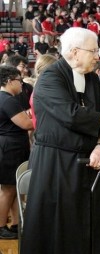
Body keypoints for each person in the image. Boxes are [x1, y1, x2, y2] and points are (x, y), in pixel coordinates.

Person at [16, 27, 100, 254]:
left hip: (90, 165)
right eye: (94, 51)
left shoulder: (90, 80)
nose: (98, 57)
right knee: (57, 228)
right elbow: (73, 116)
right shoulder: (50, 78)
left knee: (92, 227)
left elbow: (97, 119)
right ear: (74, 53)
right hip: (55, 165)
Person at [0, 65, 33, 239]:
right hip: (10, 147)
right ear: (8, 81)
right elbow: (27, 124)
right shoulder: (8, 100)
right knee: (8, 189)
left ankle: (15, 224)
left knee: (14, 187)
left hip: (11, 146)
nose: (21, 84)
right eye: (18, 81)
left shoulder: (6, 99)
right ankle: (1, 226)